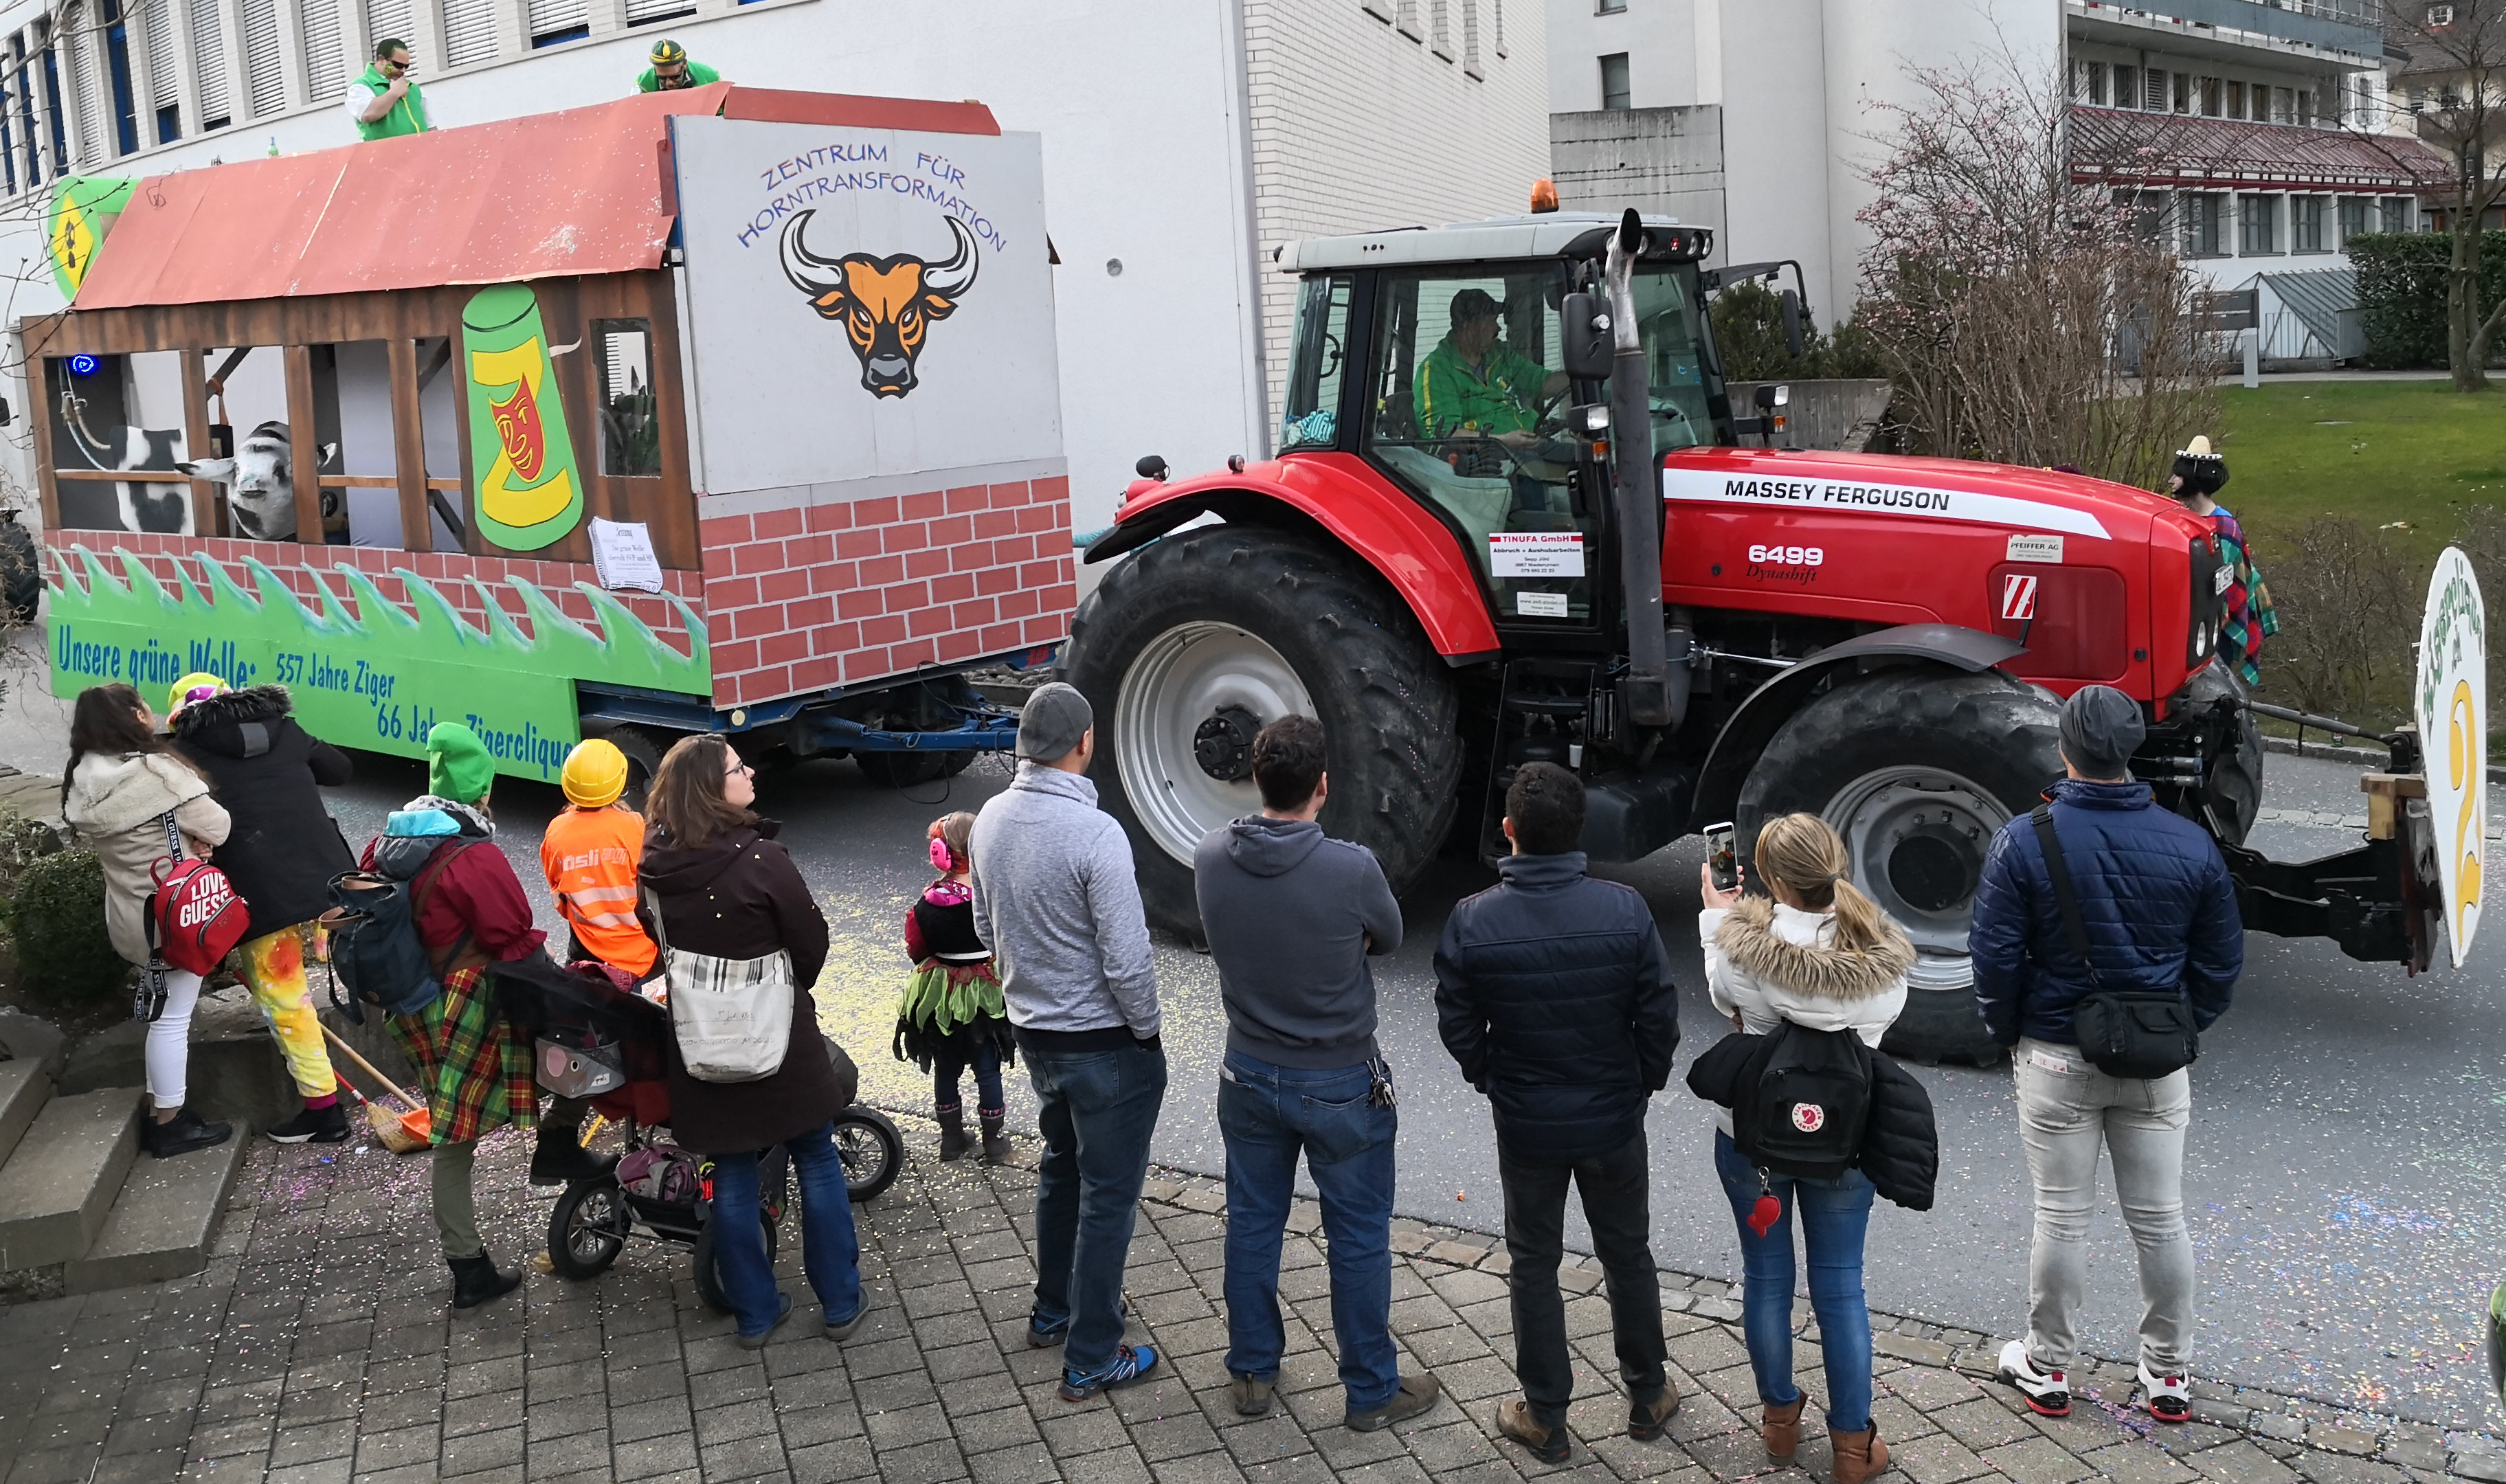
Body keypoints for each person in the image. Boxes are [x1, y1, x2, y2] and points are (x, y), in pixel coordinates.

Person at [1970, 684, 2241, 1425]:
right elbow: (2217, 965)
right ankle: (2167, 1378)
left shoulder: (2025, 839)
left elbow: (1993, 959)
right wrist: (2178, 1028)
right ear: (2131, 751)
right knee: (2159, 1221)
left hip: (2055, 1054)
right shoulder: (2191, 845)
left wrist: (2010, 1033)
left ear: (2065, 746)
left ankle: (2047, 1365)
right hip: (2156, 1065)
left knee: (2059, 1218)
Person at [1194, 715, 1440, 1432]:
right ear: (1322, 787)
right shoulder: (1350, 868)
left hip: (1245, 1072)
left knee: (1251, 1223)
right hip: (1337, 1081)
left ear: (1253, 778)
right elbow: (1387, 937)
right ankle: (1369, 1392)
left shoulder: (1211, 856)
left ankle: (1250, 1371)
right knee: (1358, 1237)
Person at [1434, 762, 1681, 1464]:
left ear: (1509, 831)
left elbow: (1457, 1020)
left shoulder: (1472, 918)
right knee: (1626, 1254)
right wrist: (1640, 1084)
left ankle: (1545, 1414)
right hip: (1610, 1118)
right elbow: (1655, 1016)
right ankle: (1646, 1393)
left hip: (1527, 1122)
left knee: (1532, 1262)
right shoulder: (1624, 909)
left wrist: (1491, 1077)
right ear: (1580, 832)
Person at [1699, 813, 1913, 1484]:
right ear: (1836, 866)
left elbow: (1720, 998)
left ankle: (1779, 1424)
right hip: (1846, 1140)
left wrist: (1716, 920)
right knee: (1840, 1287)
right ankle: (1852, 1447)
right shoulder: (1879, 955)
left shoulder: (1745, 946)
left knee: (1766, 1281)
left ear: (1767, 877)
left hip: (1754, 1137)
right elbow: (1878, 1025)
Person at [364, 722, 605, 1312]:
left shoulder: (386, 842)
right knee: (464, 1130)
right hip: (468, 1001)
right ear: (483, 792)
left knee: (454, 1128)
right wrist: (563, 988)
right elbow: (511, 933)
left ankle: (476, 1249)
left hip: (414, 1003)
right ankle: (470, 1263)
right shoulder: (470, 855)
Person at [968, 682, 1165, 1401]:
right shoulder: (1095, 834)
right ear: (1083, 743)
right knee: (1108, 1198)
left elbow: (985, 930)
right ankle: (1090, 1354)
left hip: (1035, 1036)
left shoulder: (988, 819)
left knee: (1062, 1169)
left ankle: (1052, 1310)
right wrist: (1145, 1034)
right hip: (1105, 1044)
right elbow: (1126, 959)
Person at [642, 734, 865, 1348]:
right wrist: (786, 992)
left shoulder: (654, 868)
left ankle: (756, 1313)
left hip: (701, 1043)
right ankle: (841, 1304)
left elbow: (654, 937)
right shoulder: (763, 859)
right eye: (738, 768)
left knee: (733, 1169)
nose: (750, 773)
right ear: (714, 790)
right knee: (815, 1155)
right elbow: (810, 940)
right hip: (778, 1037)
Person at [164, 674, 353, 1145]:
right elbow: (339, 770)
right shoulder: (285, 730)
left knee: (288, 1003)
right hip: (328, 881)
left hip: (259, 893)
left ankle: (325, 1115)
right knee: (364, 971)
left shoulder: (181, 757)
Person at [61, 684, 233, 1160]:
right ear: (132, 716)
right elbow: (218, 825)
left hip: (130, 917)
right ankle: (170, 1123)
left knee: (163, 1014)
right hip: (175, 916)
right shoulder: (156, 773)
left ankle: (168, 1108)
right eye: (142, 707)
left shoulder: (81, 777)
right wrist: (195, 839)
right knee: (172, 1021)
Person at [892, 811, 1015, 1165]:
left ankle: (951, 1139)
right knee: (987, 1067)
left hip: (941, 995)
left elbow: (916, 949)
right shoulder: (990, 896)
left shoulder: (926, 903)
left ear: (939, 853)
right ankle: (994, 1142)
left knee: (946, 1066)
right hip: (985, 996)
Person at [541, 739, 657, 981]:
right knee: (627, 1009)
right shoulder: (634, 826)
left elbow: (558, 892)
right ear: (620, 781)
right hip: (635, 951)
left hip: (585, 944)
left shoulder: (556, 831)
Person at [2167, 436, 2277, 687]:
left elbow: (2220, 585)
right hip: (2189, 621)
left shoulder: (2224, 527)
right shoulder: (2180, 518)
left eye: (2177, 476)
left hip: (2217, 626)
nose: (2171, 481)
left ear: (2192, 481)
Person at [1415, 287, 1569, 446]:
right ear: (1469, 327)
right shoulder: (1436, 371)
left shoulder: (1499, 354)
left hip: (1532, 444)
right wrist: (1503, 442)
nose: (1498, 328)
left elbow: (1542, 383)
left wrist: (1583, 373)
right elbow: (1445, 435)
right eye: (1492, 321)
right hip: (1488, 461)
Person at [348, 38, 430, 140]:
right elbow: (368, 114)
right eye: (399, 65)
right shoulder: (360, 86)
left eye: (406, 66)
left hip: (419, 153)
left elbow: (430, 126)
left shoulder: (414, 89)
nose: (403, 70)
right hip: (383, 154)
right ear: (382, 60)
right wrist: (394, 93)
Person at [636, 38, 721, 91]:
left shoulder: (710, 77)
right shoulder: (642, 84)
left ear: (684, 64)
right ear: (655, 68)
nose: (669, 83)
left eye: (675, 77)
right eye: (662, 78)